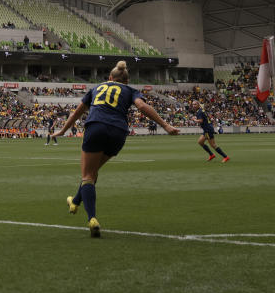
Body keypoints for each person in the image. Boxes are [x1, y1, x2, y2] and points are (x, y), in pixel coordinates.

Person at [50, 60, 179, 238]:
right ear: (125, 81)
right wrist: (166, 125)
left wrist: (63, 130)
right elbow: (142, 106)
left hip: (96, 126)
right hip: (119, 132)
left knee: (87, 176)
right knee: (93, 172)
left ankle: (92, 218)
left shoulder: (97, 87)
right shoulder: (130, 90)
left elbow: (78, 111)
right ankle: (75, 202)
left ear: (110, 78)